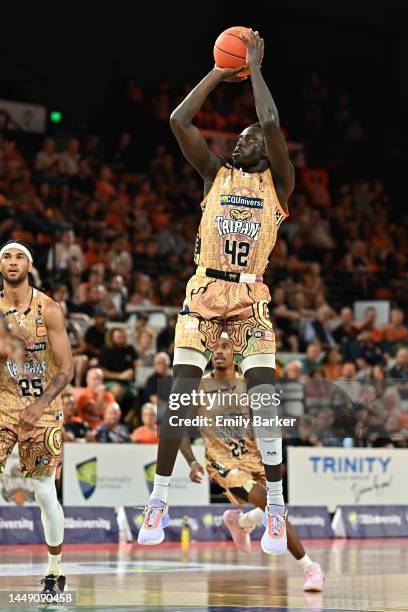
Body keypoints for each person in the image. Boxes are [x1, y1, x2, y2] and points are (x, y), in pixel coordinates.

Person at [138, 30, 295, 555]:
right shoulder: (213, 174)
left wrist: (254, 67)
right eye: (238, 138)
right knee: (179, 397)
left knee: (266, 404)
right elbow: (178, 121)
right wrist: (219, 72)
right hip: (204, 291)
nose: (240, 141)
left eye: (247, 138)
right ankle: (158, 501)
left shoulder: (279, 183)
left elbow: (270, 121)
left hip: (250, 298)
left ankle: (275, 506)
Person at [179, 336, 324, 591]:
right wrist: (191, 461)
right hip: (221, 462)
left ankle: (241, 522)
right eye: (215, 348)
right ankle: (310, 568)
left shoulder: (250, 385)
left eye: (225, 347)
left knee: (275, 506)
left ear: (236, 354)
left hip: (252, 457)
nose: (219, 352)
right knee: (273, 506)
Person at [0, 240, 73, 595]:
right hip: (2, 403)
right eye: (5, 257)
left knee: (44, 491)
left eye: (18, 257)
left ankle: (54, 569)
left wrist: (41, 404)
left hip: (41, 408)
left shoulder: (49, 309)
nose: (11, 262)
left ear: (28, 265)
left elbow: (67, 369)